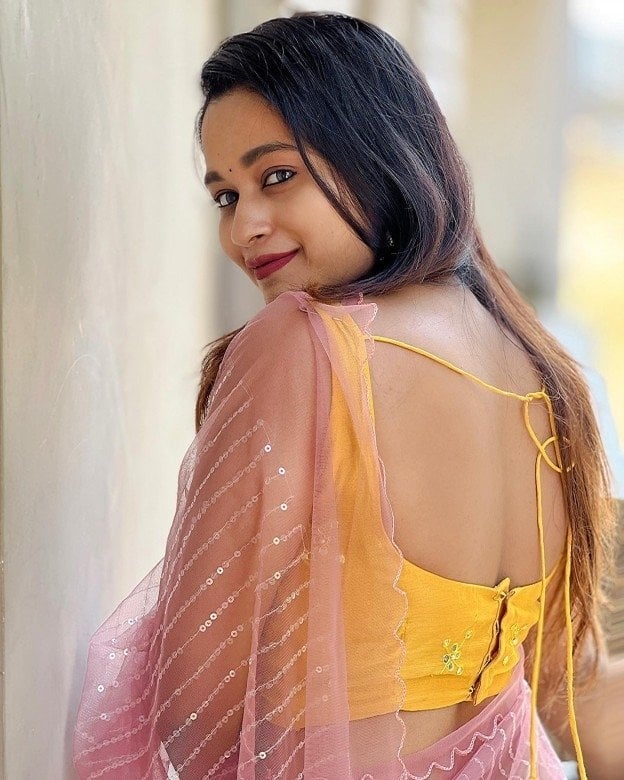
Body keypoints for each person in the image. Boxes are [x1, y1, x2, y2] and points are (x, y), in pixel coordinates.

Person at [72, 12, 621, 779]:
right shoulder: (539, 368)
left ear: (374, 151)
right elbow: (576, 688)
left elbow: (194, 707)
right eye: (225, 195)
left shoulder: (307, 347)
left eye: (276, 176)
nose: (245, 227)